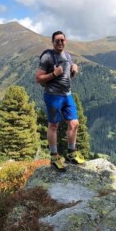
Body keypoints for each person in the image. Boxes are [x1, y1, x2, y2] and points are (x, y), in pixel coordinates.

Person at [35, 31, 85, 172]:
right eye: (57, 40)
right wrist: (53, 74)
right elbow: (38, 78)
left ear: (65, 41)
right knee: (53, 126)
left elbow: (66, 78)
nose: (60, 43)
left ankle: (71, 153)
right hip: (53, 96)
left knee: (74, 123)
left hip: (67, 95)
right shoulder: (47, 56)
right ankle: (54, 156)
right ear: (52, 42)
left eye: (62, 40)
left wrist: (73, 72)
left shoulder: (67, 56)